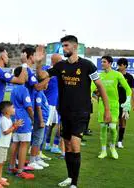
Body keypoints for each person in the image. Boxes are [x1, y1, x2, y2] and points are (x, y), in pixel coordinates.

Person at [36, 35, 111, 188]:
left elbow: (100, 86)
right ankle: (70, 177)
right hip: (64, 112)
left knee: (75, 145)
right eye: (62, 46)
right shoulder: (60, 66)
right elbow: (42, 76)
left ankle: (74, 184)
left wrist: (107, 109)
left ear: (75, 47)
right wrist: (38, 62)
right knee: (68, 146)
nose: (64, 49)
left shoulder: (87, 65)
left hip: (81, 112)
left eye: (66, 46)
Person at [0, 46, 26, 181]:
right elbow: (21, 80)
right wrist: (25, 63)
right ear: (3, 57)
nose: (8, 57)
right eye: (7, 55)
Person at [92, 56, 131, 159]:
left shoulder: (117, 74)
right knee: (103, 128)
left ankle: (112, 147)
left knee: (113, 128)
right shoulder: (99, 76)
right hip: (102, 105)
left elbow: (128, 89)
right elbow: (91, 88)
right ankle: (103, 151)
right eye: (101, 62)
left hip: (114, 105)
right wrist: (91, 96)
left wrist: (127, 102)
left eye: (104, 62)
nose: (102, 64)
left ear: (110, 63)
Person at [8, 66, 35, 179]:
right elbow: (28, 107)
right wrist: (33, 118)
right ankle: (20, 170)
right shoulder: (24, 89)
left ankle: (11, 166)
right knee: (24, 144)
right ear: (21, 74)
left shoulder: (14, 88)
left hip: (15, 118)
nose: (27, 75)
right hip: (23, 118)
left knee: (15, 143)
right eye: (26, 73)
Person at [0, 101, 23, 188]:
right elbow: (6, 132)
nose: (14, 109)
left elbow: (9, 130)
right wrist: (15, 126)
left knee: (1, 163)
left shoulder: (8, 119)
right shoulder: (4, 120)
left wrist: (14, 125)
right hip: (0, 145)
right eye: (12, 108)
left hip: (4, 145)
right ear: (6, 111)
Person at [28, 73, 50, 170]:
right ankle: (32, 161)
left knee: (39, 140)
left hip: (43, 119)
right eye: (46, 83)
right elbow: (38, 107)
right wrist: (41, 120)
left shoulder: (41, 92)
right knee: (37, 140)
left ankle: (36, 158)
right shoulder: (39, 93)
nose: (47, 85)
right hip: (39, 120)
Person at [43, 54, 63, 155]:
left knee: (57, 124)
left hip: (58, 102)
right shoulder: (46, 69)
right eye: (60, 60)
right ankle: (46, 145)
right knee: (48, 126)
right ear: (55, 61)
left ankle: (54, 145)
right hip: (49, 103)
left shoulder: (61, 71)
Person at [117, 58, 134, 148]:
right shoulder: (115, 75)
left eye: (120, 65)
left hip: (125, 103)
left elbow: (132, 91)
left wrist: (133, 103)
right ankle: (113, 138)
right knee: (112, 121)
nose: (119, 67)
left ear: (125, 66)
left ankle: (120, 140)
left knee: (123, 121)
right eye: (118, 65)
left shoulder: (130, 77)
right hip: (114, 102)